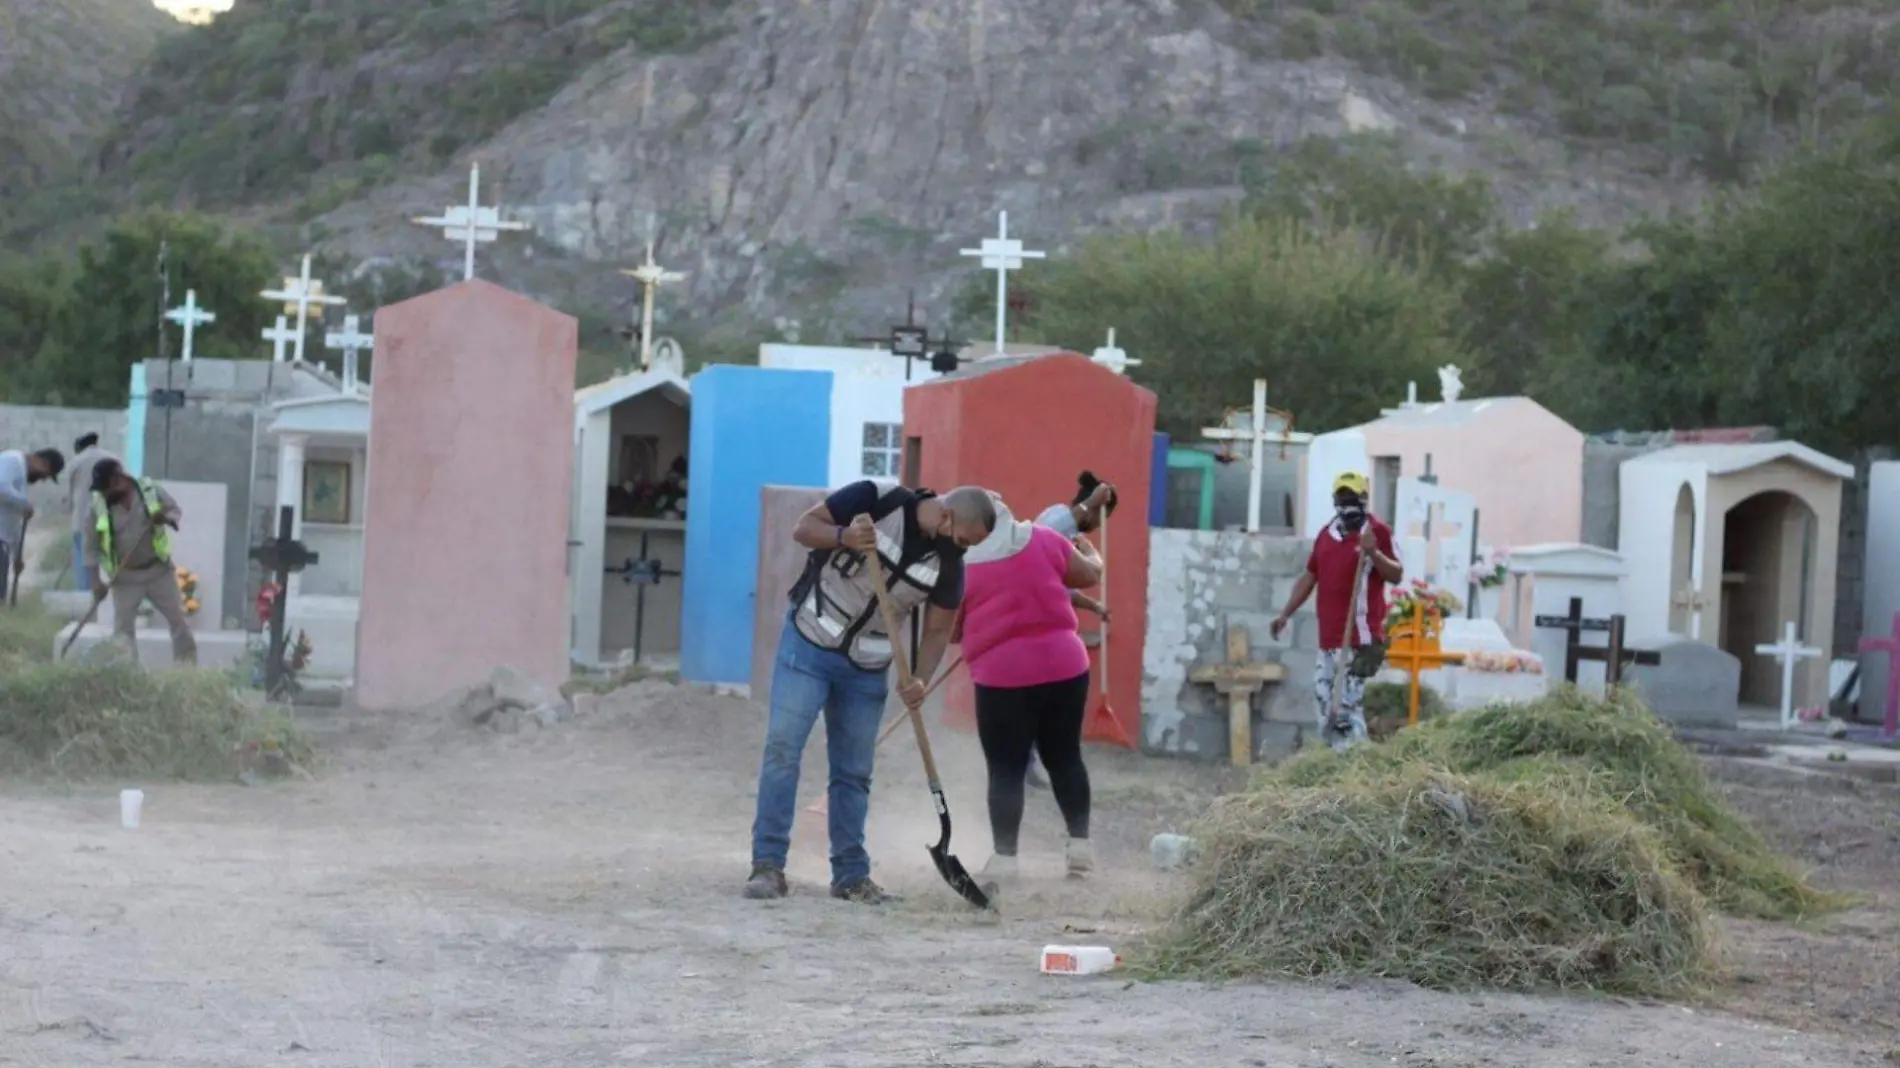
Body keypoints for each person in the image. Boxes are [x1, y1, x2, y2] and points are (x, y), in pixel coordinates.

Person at [744, 479, 997, 904]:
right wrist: (844, 536)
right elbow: (804, 528)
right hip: (809, 645)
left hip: (867, 670)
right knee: (783, 751)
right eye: (964, 539)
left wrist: (919, 678)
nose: (964, 549)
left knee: (854, 773)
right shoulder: (877, 500)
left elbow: (938, 629)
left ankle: (851, 877)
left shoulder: (949, 562)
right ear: (948, 516)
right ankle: (768, 867)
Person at [959, 497, 1105, 882]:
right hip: (1065, 666)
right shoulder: (1042, 539)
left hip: (1002, 675)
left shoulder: (961, 565)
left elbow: (953, 629)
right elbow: (1089, 575)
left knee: (1006, 767)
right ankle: (1080, 850)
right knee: (1065, 757)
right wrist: (1092, 552)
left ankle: (1006, 860)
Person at [1269, 471, 1402, 749]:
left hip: (1361, 638)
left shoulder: (1377, 532)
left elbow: (1397, 575)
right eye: (1342, 497)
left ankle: (1355, 764)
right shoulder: (1326, 534)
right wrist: (1285, 614)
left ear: (1365, 499)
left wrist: (1374, 553)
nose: (1348, 503)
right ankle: (1333, 759)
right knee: (1323, 702)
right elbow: (1309, 576)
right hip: (1329, 638)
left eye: (1354, 497)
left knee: (1345, 709)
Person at [1021, 471, 1116, 789]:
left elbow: (1061, 589)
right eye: (1100, 519)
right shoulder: (1058, 520)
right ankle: (1021, 764)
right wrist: (1094, 502)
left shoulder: (1068, 538)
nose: (1097, 528)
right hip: (1025, 624)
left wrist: (1096, 608)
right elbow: (1047, 534)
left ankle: (1027, 763)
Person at [85, 459, 197, 666]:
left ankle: (187, 670)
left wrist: (164, 518)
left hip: (158, 572)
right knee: (123, 633)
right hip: (125, 577)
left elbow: (174, 510)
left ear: (118, 478)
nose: (104, 494)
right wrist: (95, 584)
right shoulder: (97, 506)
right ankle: (129, 674)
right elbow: (90, 549)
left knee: (179, 622)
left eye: (107, 487)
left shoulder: (149, 491)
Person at [0, 446, 65, 604]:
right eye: (45, 475)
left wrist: (17, 556)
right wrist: (25, 504)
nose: (42, 479)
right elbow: (1, 487)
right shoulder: (12, 460)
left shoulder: (20, 477)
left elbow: (13, 522)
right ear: (41, 462)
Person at [67, 433, 116, 593]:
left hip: (82, 520)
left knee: (84, 562)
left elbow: (69, 495)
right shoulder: (113, 459)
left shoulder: (76, 462)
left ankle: (85, 596)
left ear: (79, 447)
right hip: (110, 520)